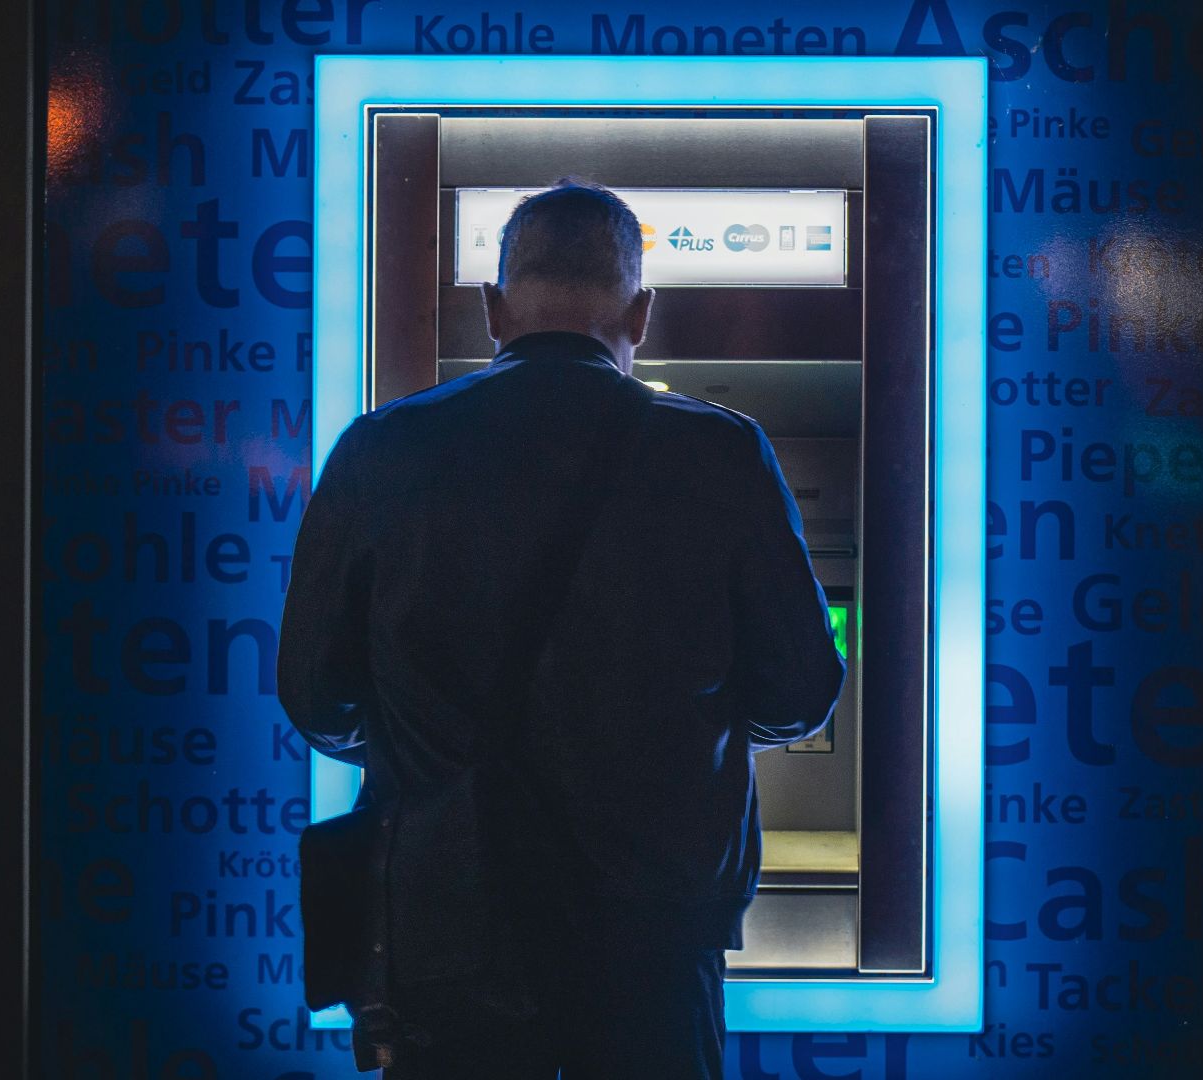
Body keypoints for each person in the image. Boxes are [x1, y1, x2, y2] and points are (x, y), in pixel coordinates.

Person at [278, 180, 846, 1079]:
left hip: (449, 922)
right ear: (643, 312)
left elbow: (317, 697)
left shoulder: (382, 449)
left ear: (493, 309)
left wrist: (428, 760)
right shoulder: (721, 451)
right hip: (654, 936)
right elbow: (801, 693)